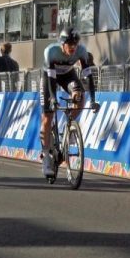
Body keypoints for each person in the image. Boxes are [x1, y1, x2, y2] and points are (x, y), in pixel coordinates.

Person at [39, 27, 100, 177]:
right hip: (49, 78)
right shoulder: (51, 51)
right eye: (69, 44)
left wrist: (93, 100)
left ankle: (69, 126)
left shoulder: (81, 51)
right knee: (47, 117)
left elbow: (88, 77)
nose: (73, 47)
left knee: (79, 96)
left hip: (67, 75)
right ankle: (46, 156)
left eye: (75, 43)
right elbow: (52, 80)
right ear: (62, 43)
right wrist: (52, 98)